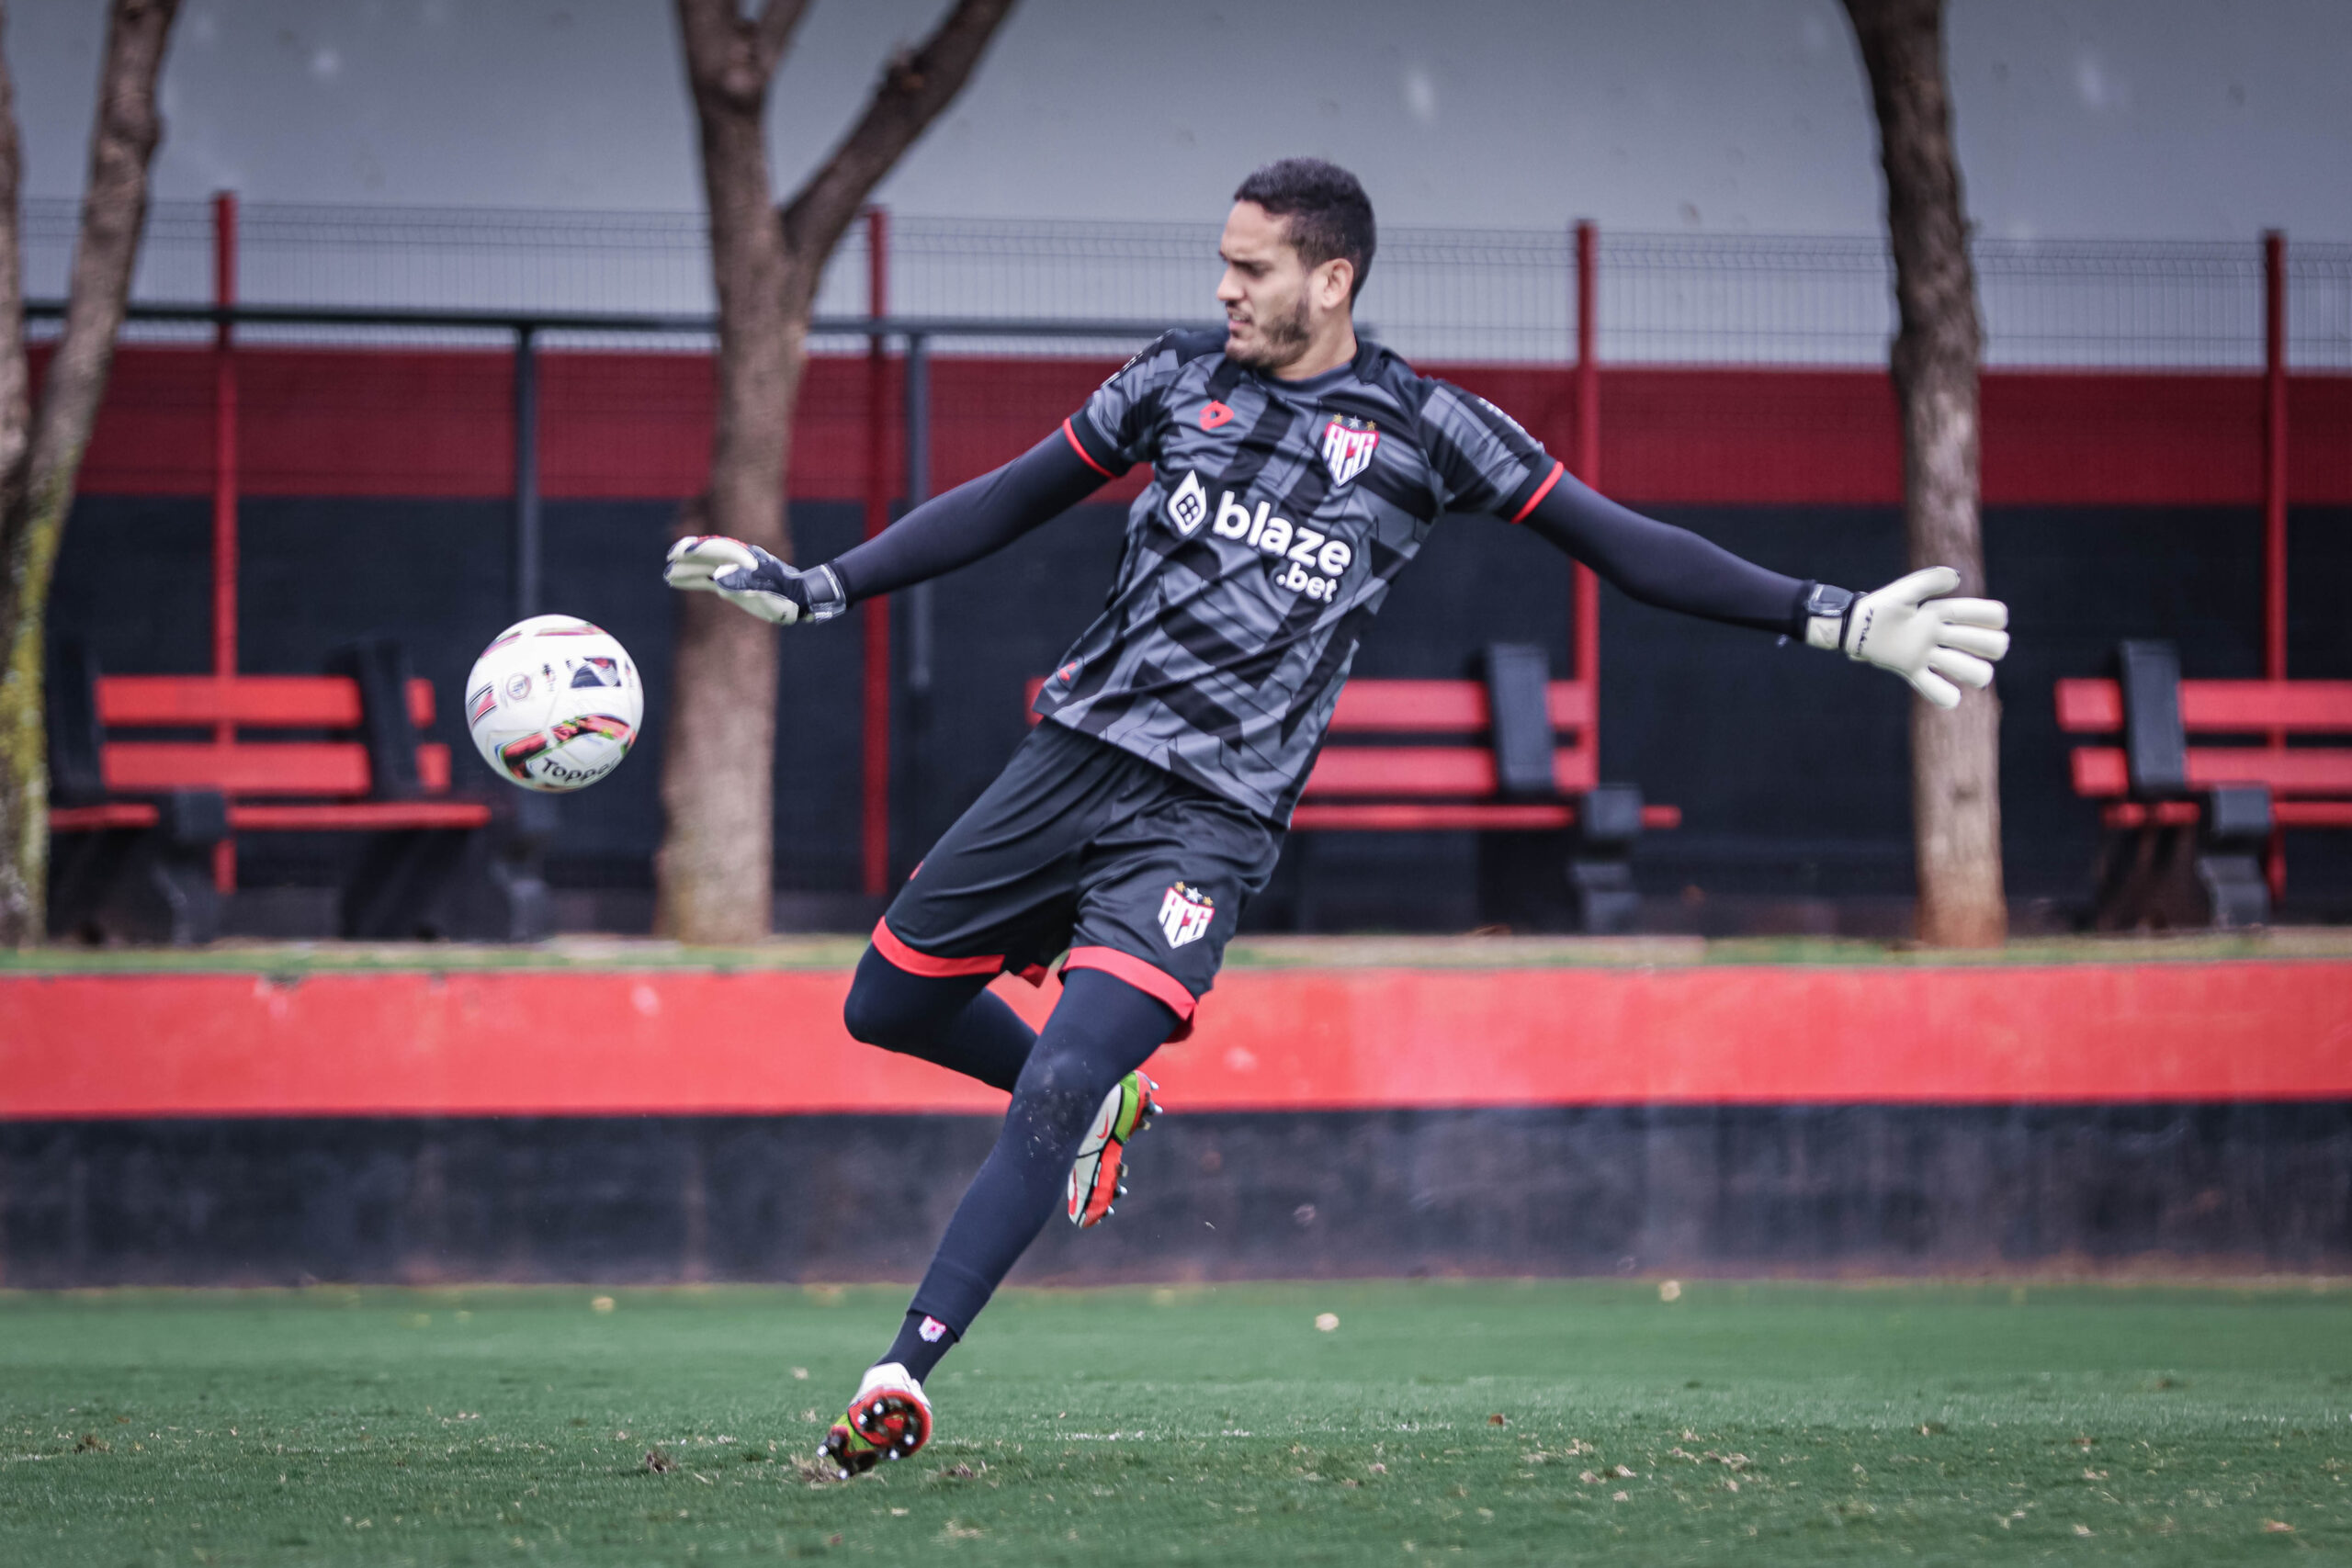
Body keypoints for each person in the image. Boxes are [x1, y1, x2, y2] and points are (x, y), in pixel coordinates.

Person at [663, 158, 2009, 1478]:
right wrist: (824, 585)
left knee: (1064, 1072)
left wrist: (1830, 617)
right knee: (884, 1003)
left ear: (1333, 276)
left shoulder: (1428, 430)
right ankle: (1087, 1110)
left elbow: (1620, 542)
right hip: (1067, 761)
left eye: (1251, 267)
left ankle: (902, 1368)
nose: (1226, 288)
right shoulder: (1172, 383)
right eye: (1225, 263)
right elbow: (1012, 497)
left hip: (1207, 823)